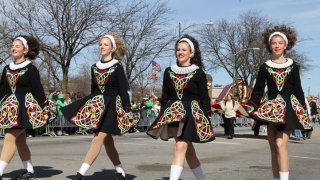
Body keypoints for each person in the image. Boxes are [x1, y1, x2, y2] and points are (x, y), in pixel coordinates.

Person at [61, 33, 133, 180]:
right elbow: (94, 90)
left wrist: (127, 108)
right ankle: (120, 171)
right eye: (100, 44)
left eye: (106, 44)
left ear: (112, 48)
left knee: (97, 139)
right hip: (99, 106)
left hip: (112, 107)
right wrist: (90, 108)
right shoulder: (94, 67)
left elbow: (124, 89)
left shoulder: (117, 67)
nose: (102, 46)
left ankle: (80, 173)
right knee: (108, 142)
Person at [248, 25, 312, 180]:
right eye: (274, 43)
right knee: (273, 149)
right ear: (270, 46)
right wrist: (252, 111)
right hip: (271, 110)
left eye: (280, 43)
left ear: (285, 45)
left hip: (289, 109)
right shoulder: (265, 67)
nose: (276, 45)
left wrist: (304, 111)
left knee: (279, 143)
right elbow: (257, 90)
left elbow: (298, 90)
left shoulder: (293, 66)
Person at [147, 35, 215, 180]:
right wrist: (163, 114)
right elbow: (165, 96)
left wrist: (206, 117)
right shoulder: (168, 71)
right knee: (185, 148)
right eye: (178, 49)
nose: (180, 52)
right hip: (172, 114)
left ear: (191, 53)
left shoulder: (198, 72)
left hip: (191, 114)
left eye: (184, 49)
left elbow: (204, 97)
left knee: (181, 147)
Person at [0, 35, 48, 179]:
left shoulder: (30, 69)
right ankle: (30, 171)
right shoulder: (7, 68)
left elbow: (38, 90)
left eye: (17, 46)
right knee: (20, 141)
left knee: (9, 137)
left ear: (25, 50)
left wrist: (44, 109)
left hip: (25, 110)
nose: (13, 48)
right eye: (12, 46)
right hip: (10, 109)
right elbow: (2, 90)